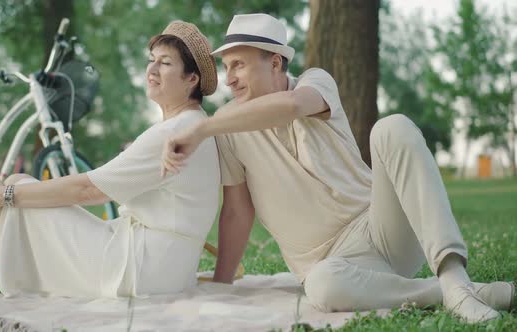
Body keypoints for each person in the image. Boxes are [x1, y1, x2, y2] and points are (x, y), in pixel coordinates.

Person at [160, 13, 515, 323]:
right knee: (323, 287)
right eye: (226, 67)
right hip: (331, 267)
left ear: (275, 63)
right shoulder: (227, 126)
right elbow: (237, 210)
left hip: (380, 228)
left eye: (238, 64)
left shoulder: (315, 82)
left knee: (392, 127)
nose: (230, 79)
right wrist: (222, 286)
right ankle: (462, 293)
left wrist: (202, 128)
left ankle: (454, 277)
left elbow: (293, 105)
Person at [0, 20, 220, 298]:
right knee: (13, 204)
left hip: (138, 270)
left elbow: (89, 189)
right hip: (161, 269)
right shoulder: (193, 124)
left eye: (166, 62)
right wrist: (6, 196)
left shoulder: (174, 133)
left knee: (14, 194)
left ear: (192, 78)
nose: (152, 68)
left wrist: (4, 195)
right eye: (151, 59)